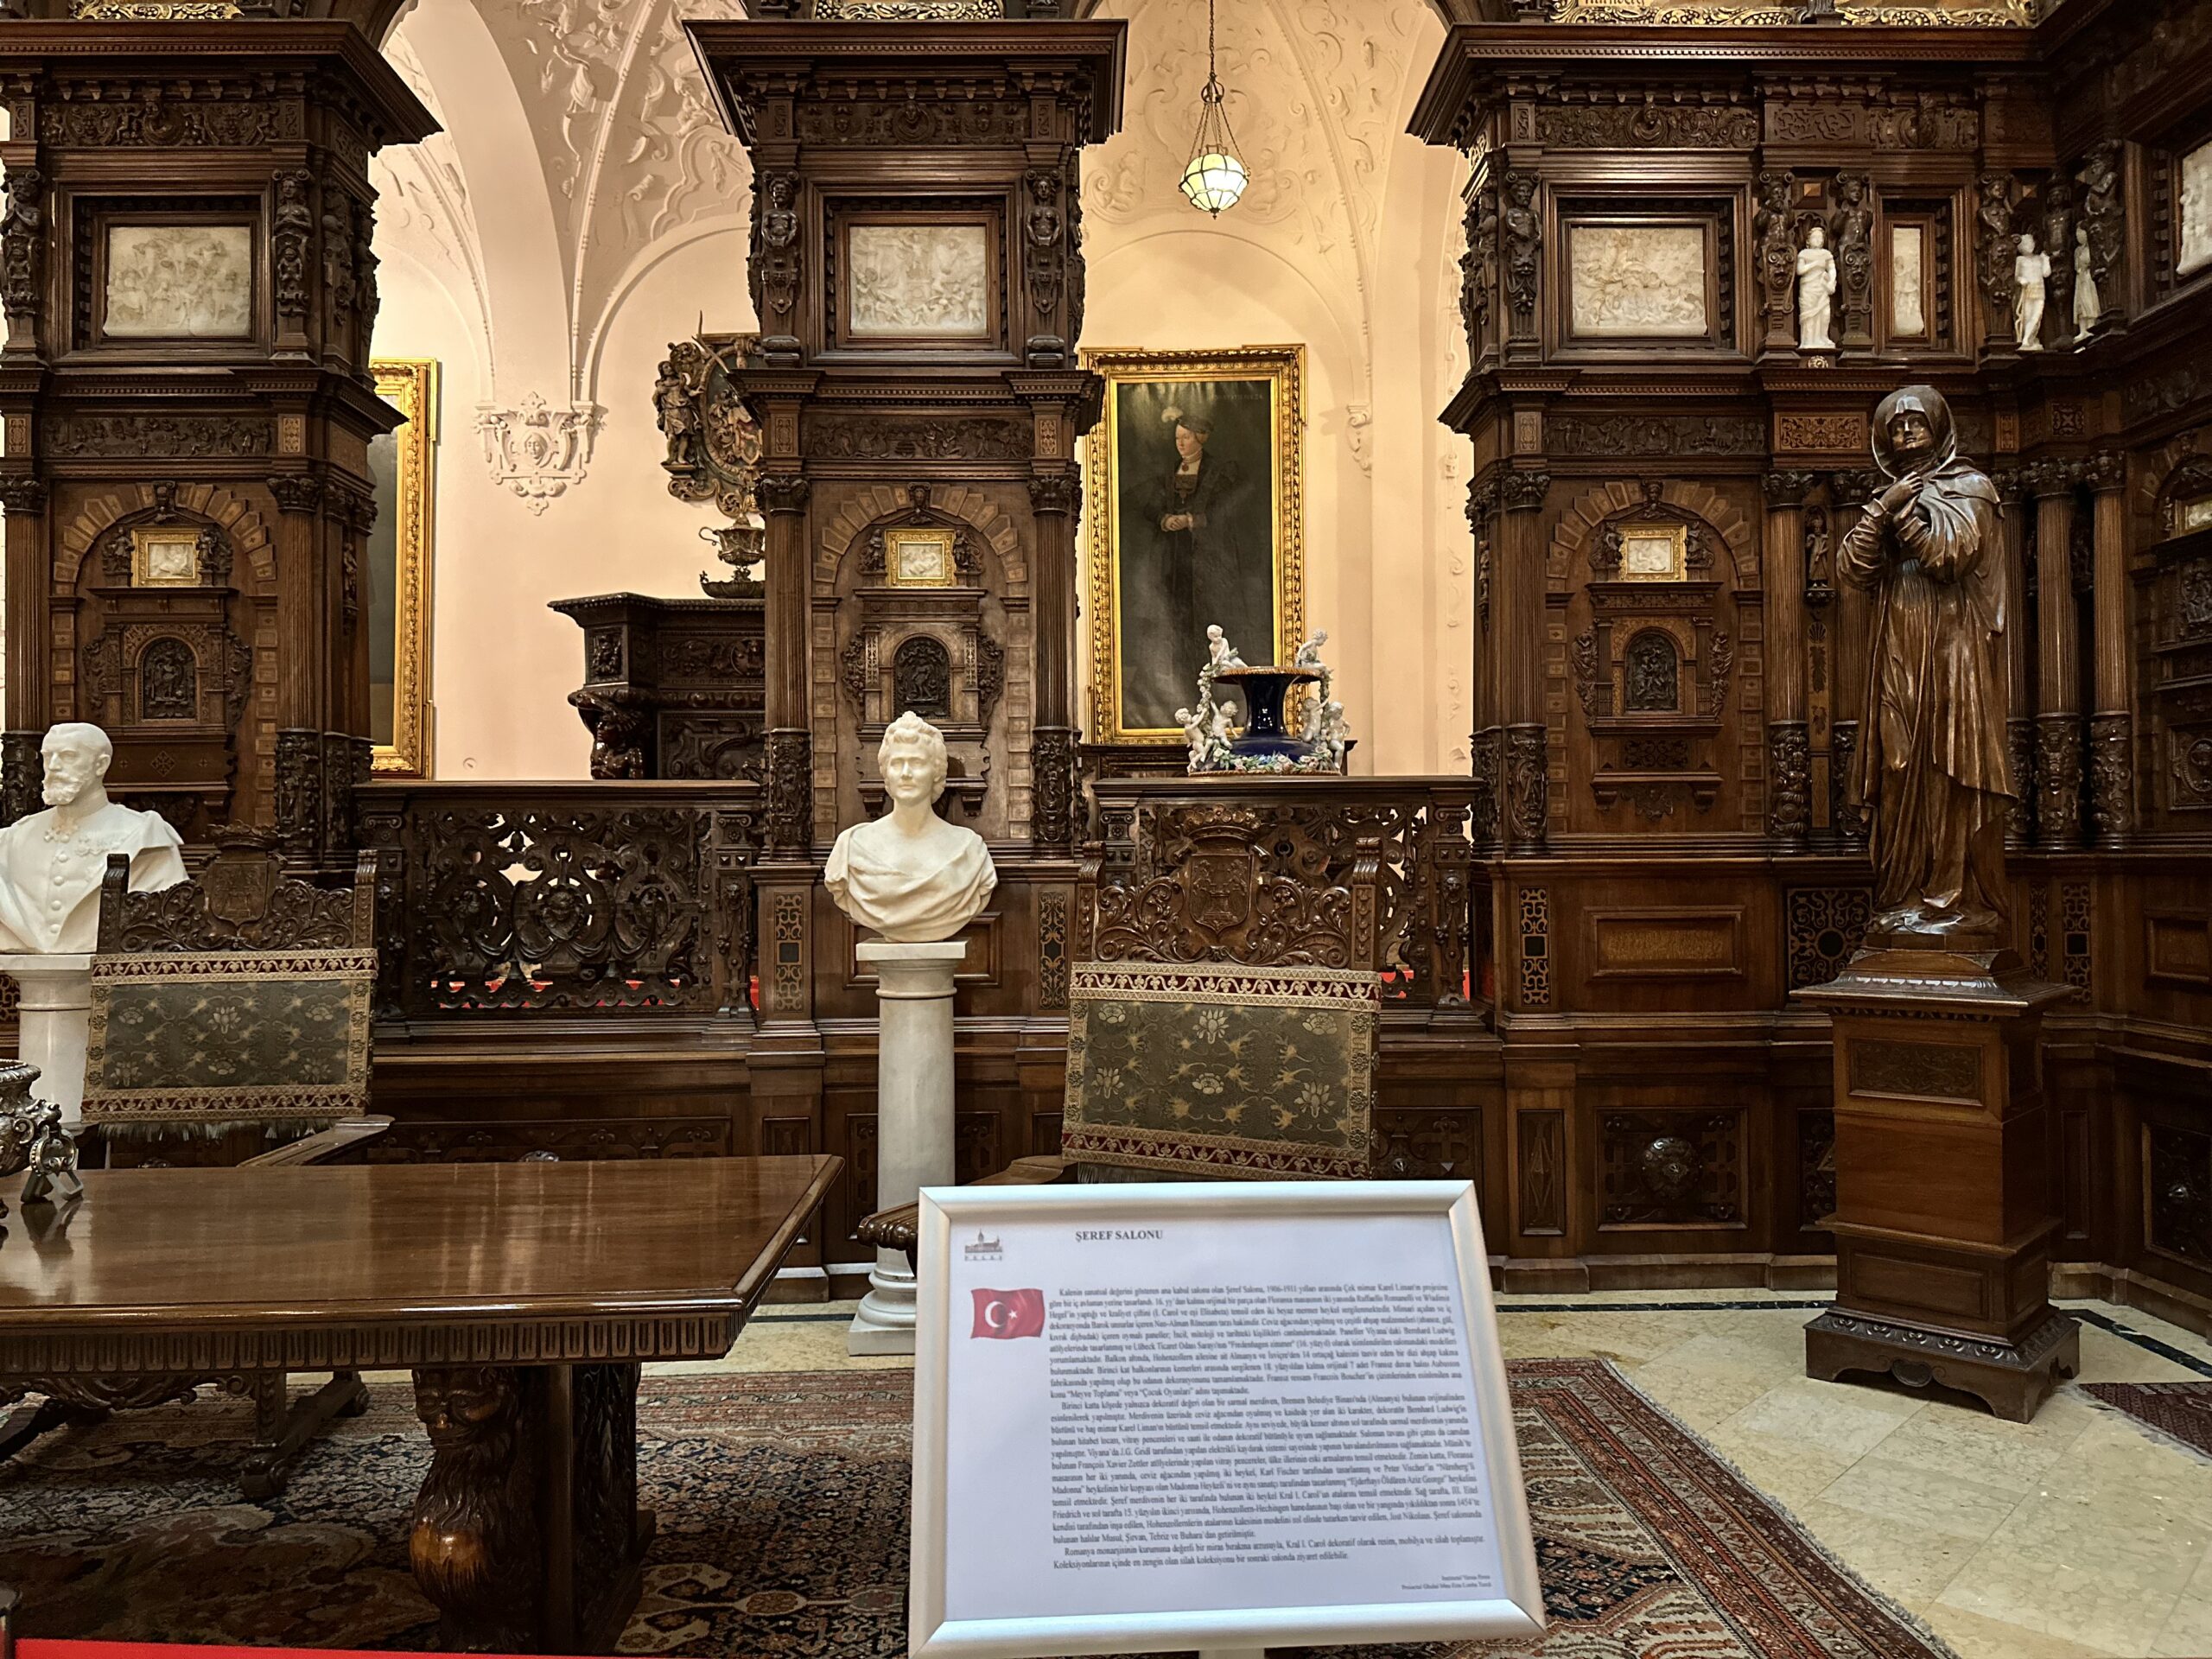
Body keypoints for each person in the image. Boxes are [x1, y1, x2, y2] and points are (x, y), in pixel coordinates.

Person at [1836, 388, 2012, 941]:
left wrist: (1904, 517)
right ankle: (1902, 894)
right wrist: (1880, 510)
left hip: (1952, 650)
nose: (1906, 433)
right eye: (1895, 426)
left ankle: (1950, 898)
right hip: (1898, 640)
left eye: (1915, 422)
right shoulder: (1887, 495)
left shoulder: (1972, 488)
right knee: (1897, 762)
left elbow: (1950, 555)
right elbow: (1852, 567)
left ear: (1940, 425)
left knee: (1946, 766)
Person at [1128, 410, 1268, 729]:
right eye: (1177, 438)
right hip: (1174, 562)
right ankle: (1180, 693)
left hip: (1209, 563)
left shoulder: (1221, 472)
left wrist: (1194, 520)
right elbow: (1144, 500)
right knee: (1174, 621)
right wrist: (1164, 518)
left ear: (1200, 439)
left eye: (1186, 437)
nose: (1180, 443)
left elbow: (1234, 507)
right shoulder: (1168, 472)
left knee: (1208, 623)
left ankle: (1219, 696)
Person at [0, 723, 186, 955]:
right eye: (48, 756)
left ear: (101, 765)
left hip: (112, 973)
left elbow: (170, 918)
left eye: (68, 756)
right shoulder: (13, 838)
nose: (54, 766)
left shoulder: (145, 836)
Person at [824, 713, 995, 944]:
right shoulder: (852, 847)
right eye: (897, 763)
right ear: (886, 772)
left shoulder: (970, 850)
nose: (906, 773)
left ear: (936, 772)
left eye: (917, 763)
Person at [1796, 226, 1838, 352]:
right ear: (1808, 241)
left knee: (1825, 313)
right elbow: (1800, 270)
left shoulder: (1826, 254)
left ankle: (1823, 337)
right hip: (1808, 287)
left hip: (1822, 286)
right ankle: (1809, 340)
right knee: (1809, 315)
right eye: (1815, 237)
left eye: (1820, 238)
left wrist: (1831, 281)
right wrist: (1815, 264)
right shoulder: (1804, 253)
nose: (1818, 240)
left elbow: (1832, 269)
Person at [2014, 232, 2052, 352]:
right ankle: (2027, 338)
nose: (2029, 245)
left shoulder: (2038, 259)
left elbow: (2046, 273)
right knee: (2027, 315)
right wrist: (2021, 280)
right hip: (2027, 290)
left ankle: (2027, 339)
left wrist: (2046, 260)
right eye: (2026, 244)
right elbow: (2015, 276)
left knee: (2037, 315)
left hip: (2039, 289)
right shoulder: (2020, 260)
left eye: (2031, 242)